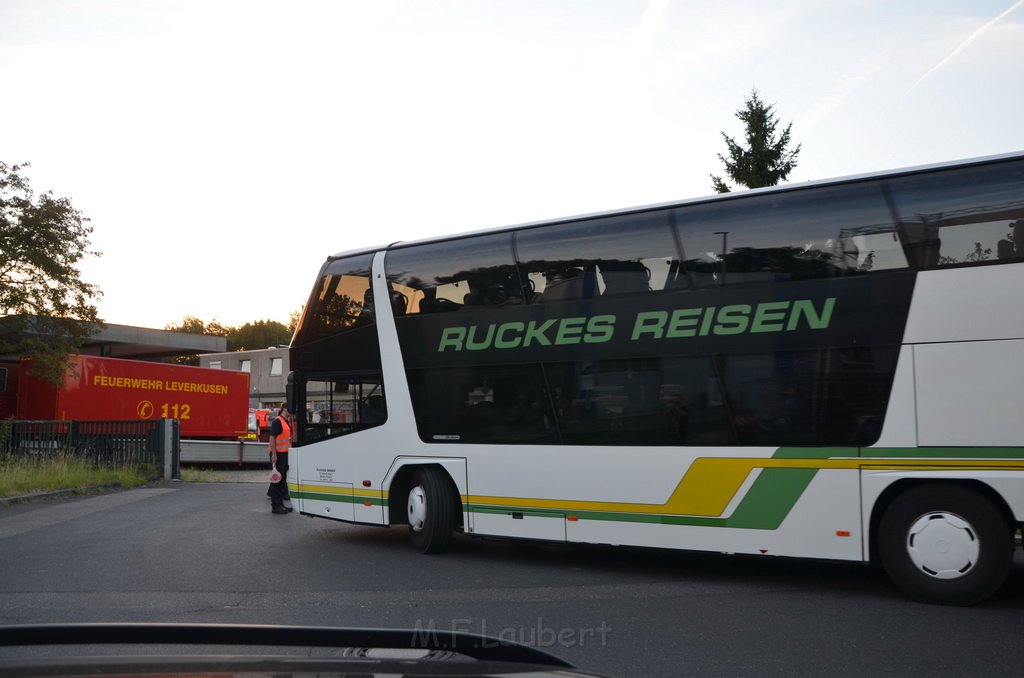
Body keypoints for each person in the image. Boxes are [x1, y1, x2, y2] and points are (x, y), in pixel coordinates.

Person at [269, 405, 293, 515]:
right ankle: (275, 506)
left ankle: (280, 504)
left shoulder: (286, 421)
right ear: (284, 409)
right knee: (277, 481)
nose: (291, 412)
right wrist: (274, 455)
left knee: (282, 480)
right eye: (290, 409)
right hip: (278, 454)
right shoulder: (277, 421)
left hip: (284, 453)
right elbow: (272, 438)